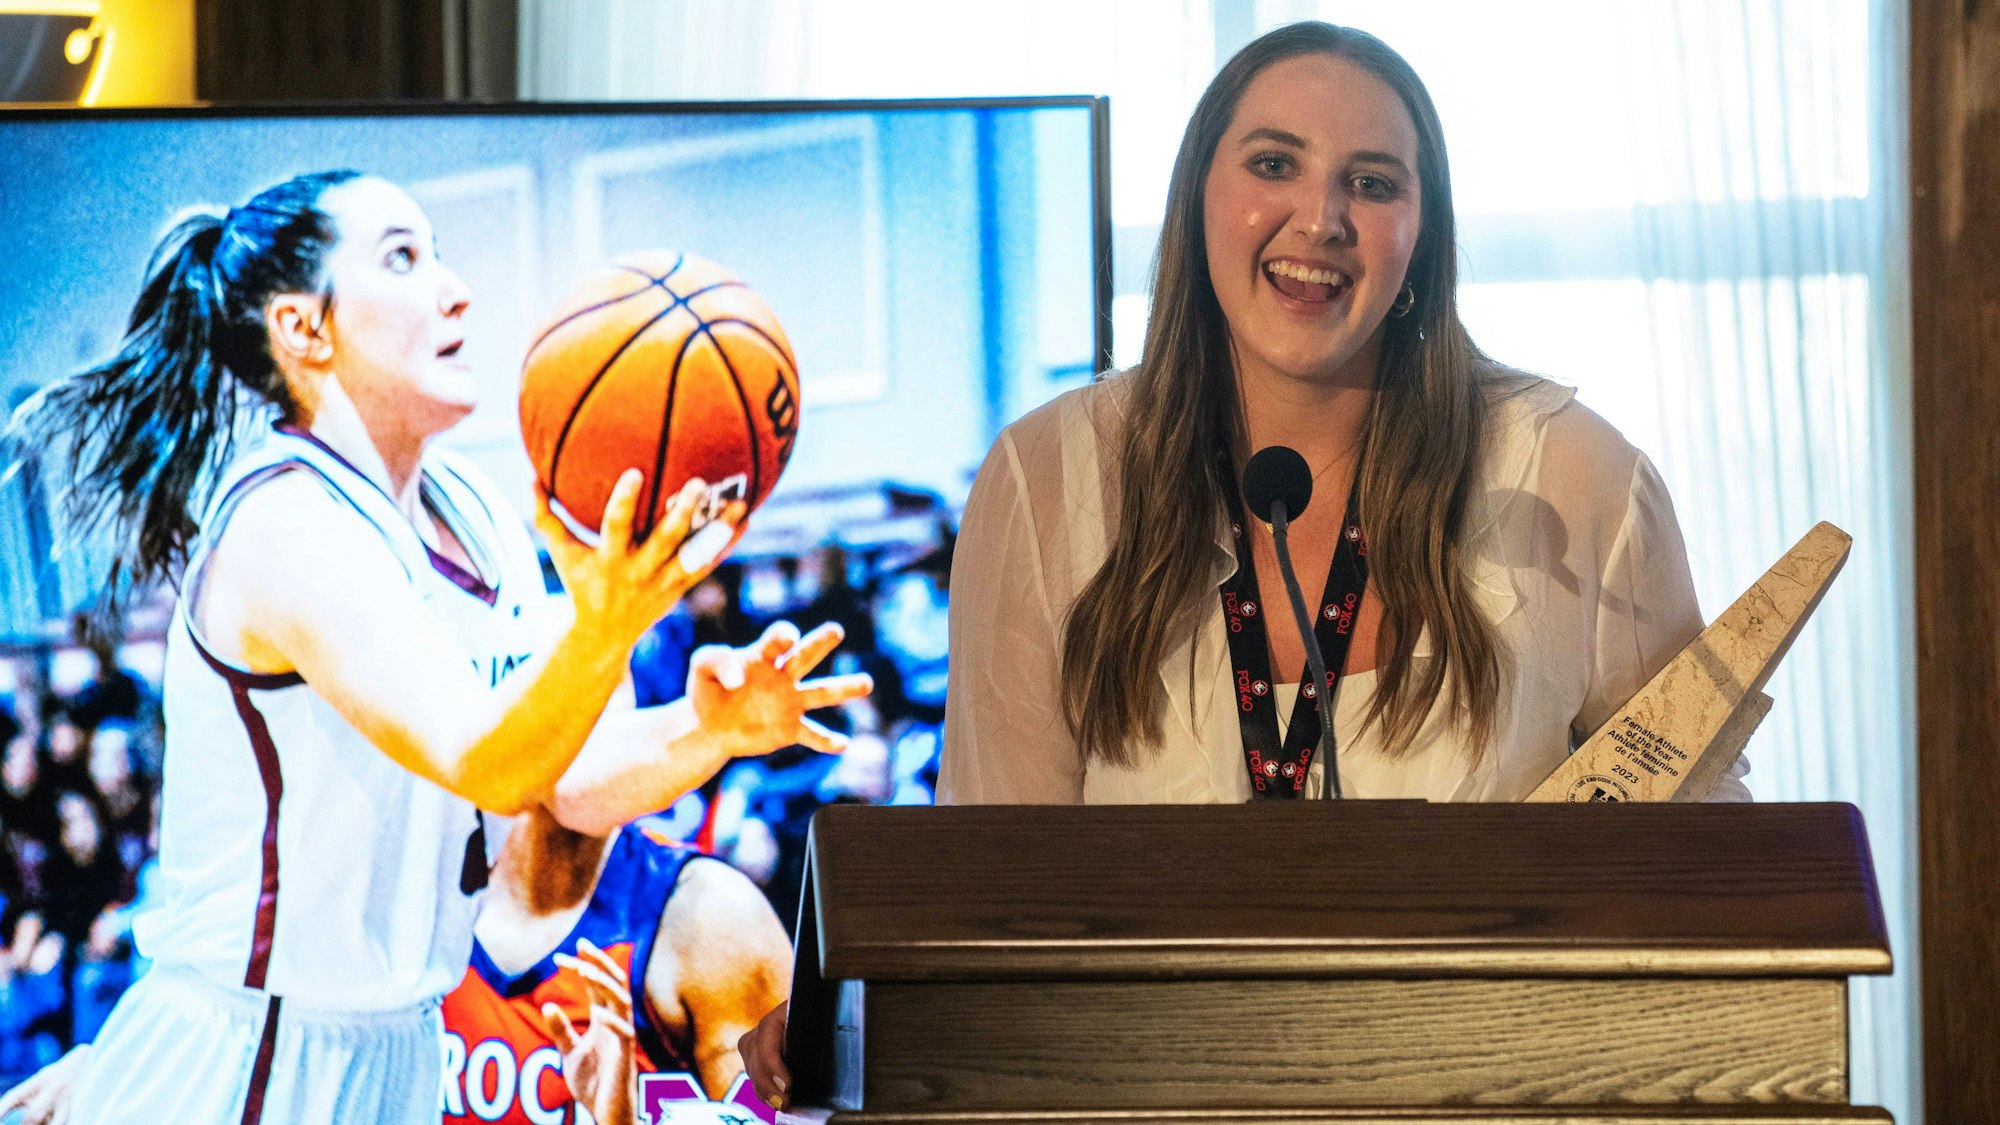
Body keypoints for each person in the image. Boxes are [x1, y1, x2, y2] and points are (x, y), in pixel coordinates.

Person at [736, 19, 1751, 1107]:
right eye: (1274, 164)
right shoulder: (1046, 479)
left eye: (1371, 182)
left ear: (1421, 235)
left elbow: (1702, 873)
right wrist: (855, 1020)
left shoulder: (1577, 480)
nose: (1320, 218)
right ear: (1198, 201)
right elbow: (990, 891)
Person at [0, 170, 866, 1124]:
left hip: (399, 1044)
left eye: (439, 256)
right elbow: (484, 758)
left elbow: (562, 780)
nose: (456, 291)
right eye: (403, 259)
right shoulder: (285, 522)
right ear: (303, 327)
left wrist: (709, 730)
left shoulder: (472, 510)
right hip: (263, 1051)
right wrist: (607, 623)